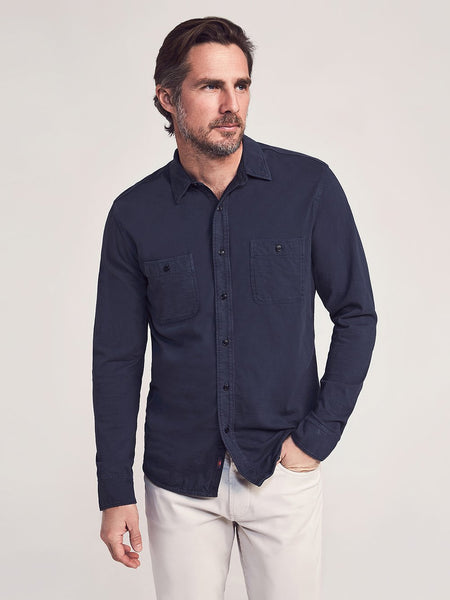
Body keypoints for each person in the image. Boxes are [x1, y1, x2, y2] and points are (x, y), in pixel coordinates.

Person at [92, 16, 377, 600]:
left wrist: (317, 437)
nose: (231, 104)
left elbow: (356, 314)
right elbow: (117, 359)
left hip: (282, 470)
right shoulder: (133, 215)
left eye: (241, 85)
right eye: (210, 86)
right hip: (179, 482)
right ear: (167, 98)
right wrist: (114, 489)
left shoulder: (309, 187)